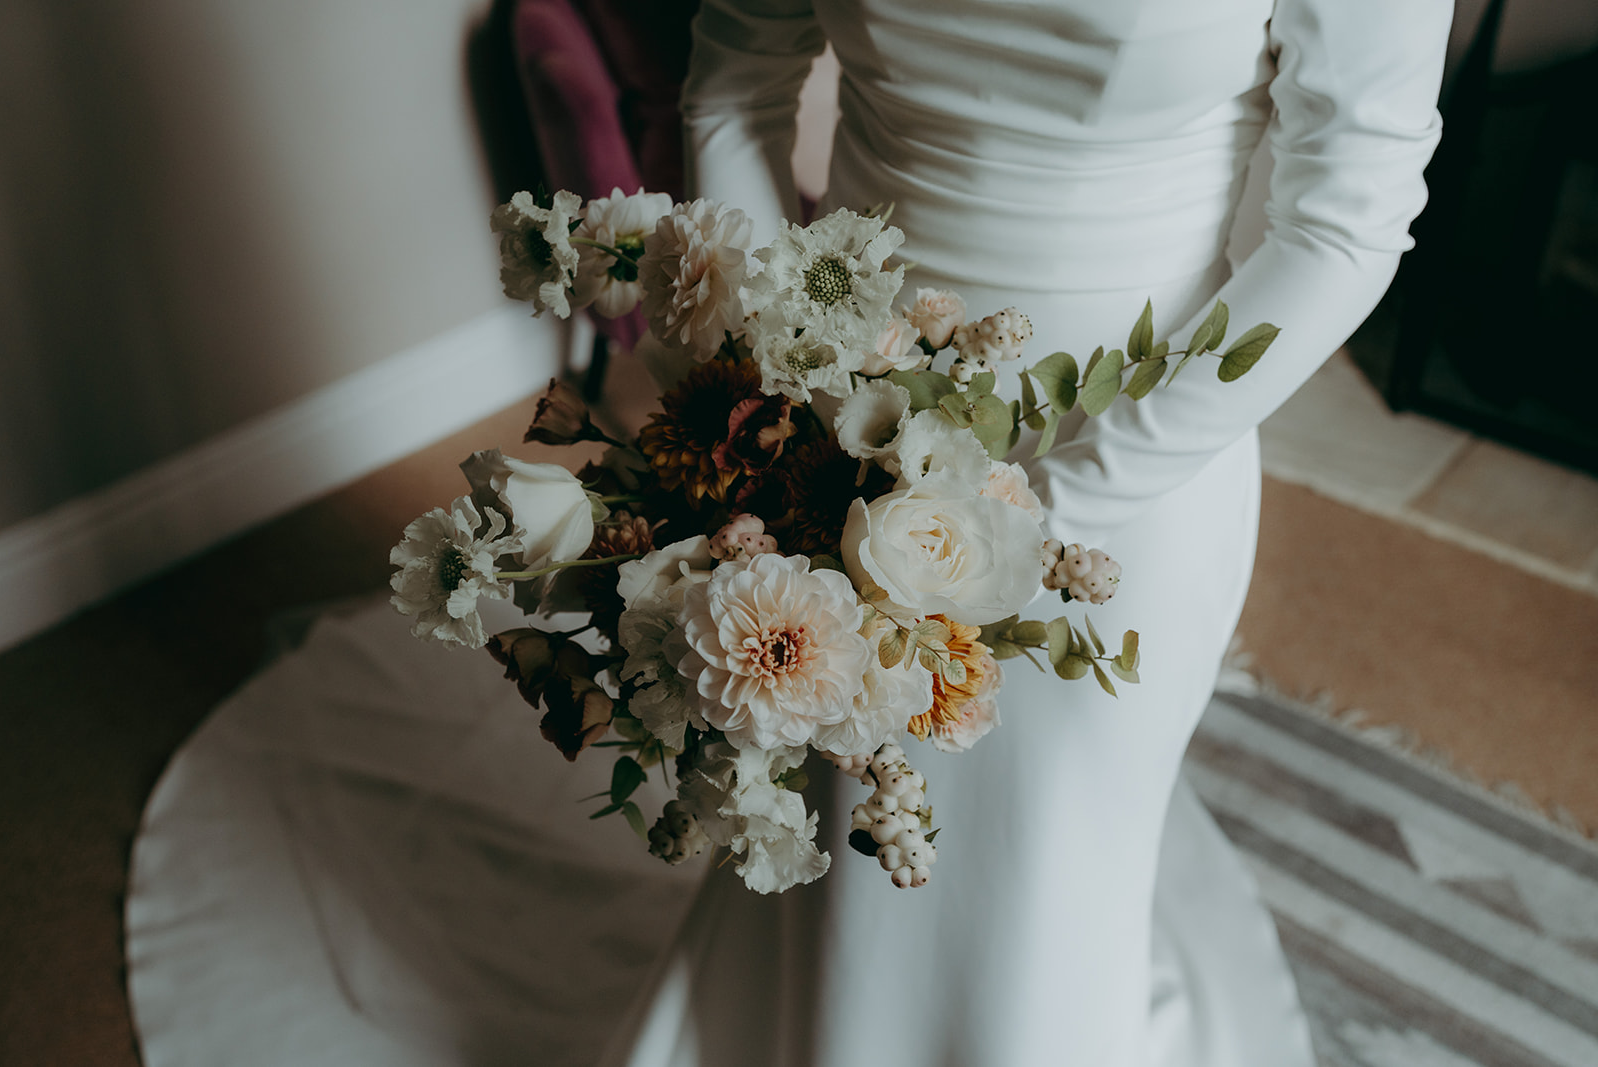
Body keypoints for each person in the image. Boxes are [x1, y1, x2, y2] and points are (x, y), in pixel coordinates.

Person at [594, 1, 1451, 1065]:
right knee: (835, 793)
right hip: (841, 420)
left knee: (1050, 854)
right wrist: (780, 377)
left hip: (1139, 447)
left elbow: (1342, 220)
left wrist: (1051, 513)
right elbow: (735, 78)